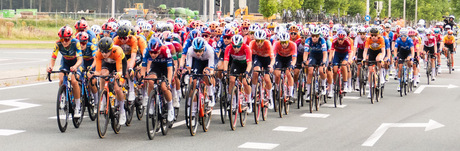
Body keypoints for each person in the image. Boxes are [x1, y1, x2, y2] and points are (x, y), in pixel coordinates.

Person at [47, 26, 83, 118]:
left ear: (71, 38)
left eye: (66, 40)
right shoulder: (58, 44)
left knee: (74, 81)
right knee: (61, 79)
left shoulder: (76, 42)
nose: (64, 42)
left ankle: (78, 106)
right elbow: (53, 58)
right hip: (65, 61)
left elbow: (80, 59)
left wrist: (75, 67)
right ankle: (63, 95)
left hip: (76, 62)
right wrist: (50, 67)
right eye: (62, 39)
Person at [93, 37, 127, 125]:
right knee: (102, 75)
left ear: (111, 49)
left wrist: (118, 75)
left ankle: (122, 111)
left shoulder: (117, 51)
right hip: (108, 63)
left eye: (106, 51)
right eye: (102, 51)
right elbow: (97, 70)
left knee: (117, 88)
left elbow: (119, 71)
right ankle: (103, 97)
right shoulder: (99, 54)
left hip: (119, 63)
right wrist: (92, 74)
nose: (104, 53)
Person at [143, 38, 175, 122]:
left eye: (155, 52)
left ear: (160, 49)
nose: (153, 55)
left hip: (166, 67)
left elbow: (169, 70)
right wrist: (142, 79)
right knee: (150, 80)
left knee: (164, 87)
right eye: (151, 53)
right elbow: (144, 67)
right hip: (155, 66)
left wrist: (169, 82)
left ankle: (170, 107)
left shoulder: (165, 50)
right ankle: (151, 104)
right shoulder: (146, 51)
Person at [184, 37, 216, 117]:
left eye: (200, 51)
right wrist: (186, 71)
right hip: (198, 61)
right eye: (196, 51)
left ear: (204, 48)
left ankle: (211, 94)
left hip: (208, 61)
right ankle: (193, 110)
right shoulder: (190, 50)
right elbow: (189, 66)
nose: (198, 53)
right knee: (194, 82)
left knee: (206, 74)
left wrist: (209, 72)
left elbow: (211, 69)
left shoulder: (209, 50)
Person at [223, 35, 252, 111]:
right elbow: (226, 61)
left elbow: (249, 64)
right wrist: (225, 71)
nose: (236, 48)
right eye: (234, 46)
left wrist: (247, 72)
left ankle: (249, 102)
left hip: (246, 64)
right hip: (236, 63)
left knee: (245, 82)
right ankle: (232, 102)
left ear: (242, 44)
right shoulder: (228, 48)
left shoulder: (246, 48)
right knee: (231, 80)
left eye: (238, 46)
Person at [250, 29, 275, 109]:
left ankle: (270, 98)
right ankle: (253, 94)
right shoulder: (252, 43)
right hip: (258, 58)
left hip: (267, 59)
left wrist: (271, 65)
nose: (259, 43)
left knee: (267, 79)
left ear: (264, 40)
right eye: (257, 41)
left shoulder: (268, 44)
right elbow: (249, 57)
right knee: (255, 72)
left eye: (261, 41)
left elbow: (273, 58)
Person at [304, 27, 328, 100]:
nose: (314, 38)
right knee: (310, 71)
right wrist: (305, 61)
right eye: (313, 36)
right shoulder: (308, 40)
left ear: (319, 36)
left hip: (321, 56)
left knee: (321, 70)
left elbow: (325, 53)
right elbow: (305, 53)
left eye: (316, 36)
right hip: (313, 55)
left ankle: (323, 85)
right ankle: (308, 93)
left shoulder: (322, 40)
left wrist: (324, 62)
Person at [273, 32, 297, 102]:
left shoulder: (293, 45)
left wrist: (292, 65)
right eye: (282, 42)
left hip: (289, 58)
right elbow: (273, 56)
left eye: (286, 42)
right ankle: (278, 89)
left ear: (288, 41)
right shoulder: (276, 44)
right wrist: (273, 64)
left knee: (288, 73)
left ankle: (290, 94)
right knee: (277, 73)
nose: (284, 44)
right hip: (279, 58)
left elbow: (294, 58)